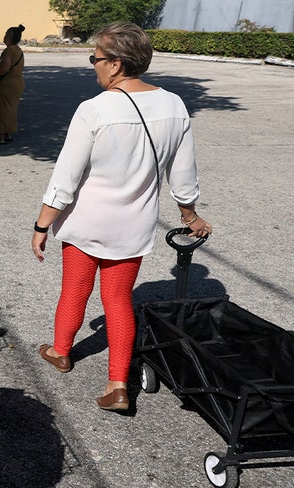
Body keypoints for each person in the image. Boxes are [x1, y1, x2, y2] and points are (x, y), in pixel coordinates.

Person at [32, 22, 212, 412]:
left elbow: (66, 177)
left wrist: (42, 224)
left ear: (114, 65)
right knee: (117, 300)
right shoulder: (174, 105)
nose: (93, 65)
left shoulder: (94, 109)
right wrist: (190, 215)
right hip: (133, 225)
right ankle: (117, 383)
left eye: (95, 58)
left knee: (75, 291)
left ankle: (61, 351)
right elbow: (183, 176)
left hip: (86, 222)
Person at [0, 24, 26, 144]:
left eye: (6, 34)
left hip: (7, 85)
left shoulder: (8, 51)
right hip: (17, 84)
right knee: (10, 109)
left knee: (2, 110)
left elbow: (4, 68)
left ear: (9, 36)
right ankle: (8, 134)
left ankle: (0, 136)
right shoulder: (18, 50)